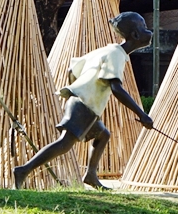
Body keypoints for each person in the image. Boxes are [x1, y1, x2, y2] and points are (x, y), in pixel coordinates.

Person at [13, 11, 154, 190]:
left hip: (83, 103)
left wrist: (77, 88)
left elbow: (73, 69)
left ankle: (91, 175)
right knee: (64, 144)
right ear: (135, 35)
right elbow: (116, 88)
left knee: (103, 135)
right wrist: (142, 115)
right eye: (144, 27)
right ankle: (23, 170)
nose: (149, 31)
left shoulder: (107, 50)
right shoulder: (116, 55)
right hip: (83, 105)